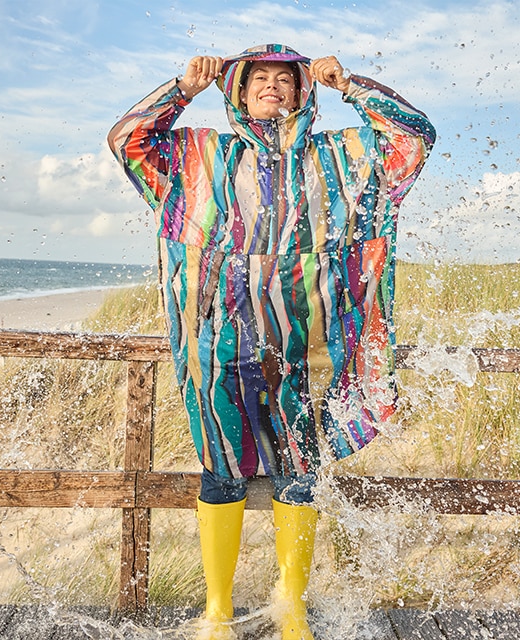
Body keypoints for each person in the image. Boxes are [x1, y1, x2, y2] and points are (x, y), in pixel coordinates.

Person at [108, 43, 435, 640]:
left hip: (308, 345)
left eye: (286, 79)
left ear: (302, 91)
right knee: (221, 469)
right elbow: (127, 141)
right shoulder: (198, 152)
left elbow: (412, 140)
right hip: (216, 342)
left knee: (297, 469)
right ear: (237, 86)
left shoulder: (339, 155)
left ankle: (292, 611)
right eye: (259, 77)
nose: (272, 87)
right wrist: (181, 90)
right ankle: (217, 612)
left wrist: (350, 85)